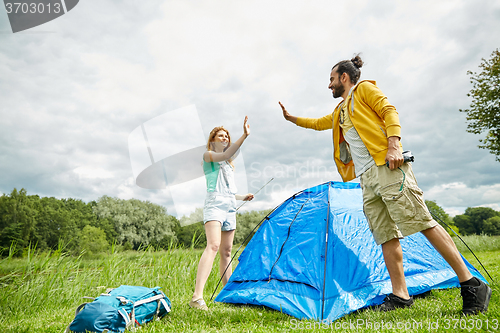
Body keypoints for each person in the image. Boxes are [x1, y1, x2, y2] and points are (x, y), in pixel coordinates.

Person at [279, 54, 491, 315]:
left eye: (332, 79)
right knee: (385, 235)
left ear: (344, 77)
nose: (329, 85)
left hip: (388, 167)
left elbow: (389, 111)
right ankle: (401, 294)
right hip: (366, 178)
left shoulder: (364, 89)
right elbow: (318, 123)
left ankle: (471, 283)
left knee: (421, 221)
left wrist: (394, 146)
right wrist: (292, 119)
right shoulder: (339, 111)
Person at [189, 116, 254, 310]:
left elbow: (228, 191)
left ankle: (229, 295)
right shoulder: (208, 156)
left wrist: (242, 197)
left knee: (227, 251)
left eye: (227, 136)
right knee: (214, 245)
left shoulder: (228, 165)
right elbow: (226, 157)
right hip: (215, 206)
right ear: (212, 140)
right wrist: (244, 135)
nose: (225, 138)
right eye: (221, 136)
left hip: (229, 207)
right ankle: (196, 297)